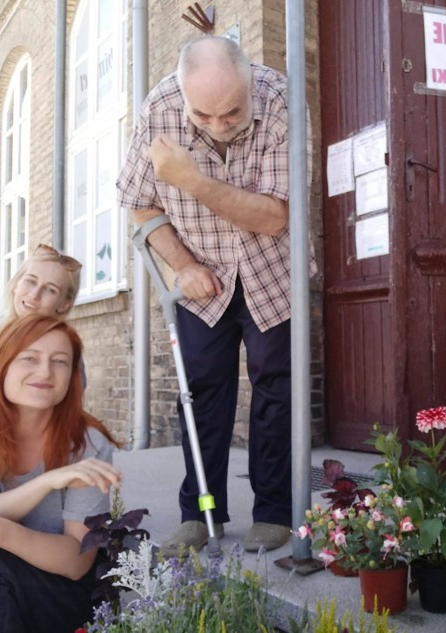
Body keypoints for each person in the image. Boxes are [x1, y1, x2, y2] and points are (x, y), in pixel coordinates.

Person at [117, 35, 311, 555]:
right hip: (203, 275)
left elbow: (275, 216)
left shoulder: (280, 99)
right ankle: (201, 514)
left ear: (250, 83)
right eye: (203, 116)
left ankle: (273, 511)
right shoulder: (159, 109)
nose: (219, 125)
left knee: (277, 388)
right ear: (182, 96)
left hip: (273, 269)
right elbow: (137, 202)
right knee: (199, 393)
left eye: (232, 112)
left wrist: (191, 180)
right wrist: (182, 265)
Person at [0, 314, 122, 632]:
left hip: (59, 588)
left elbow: (76, 563)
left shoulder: (87, 442)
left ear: (72, 375)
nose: (45, 372)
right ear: (2, 365)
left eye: (60, 361)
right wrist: (45, 482)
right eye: (29, 358)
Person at [0, 242, 83, 400]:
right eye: (30, 281)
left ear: (64, 304)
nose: (35, 294)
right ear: (16, 283)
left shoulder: (65, 353)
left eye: (51, 289)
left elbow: (67, 414)